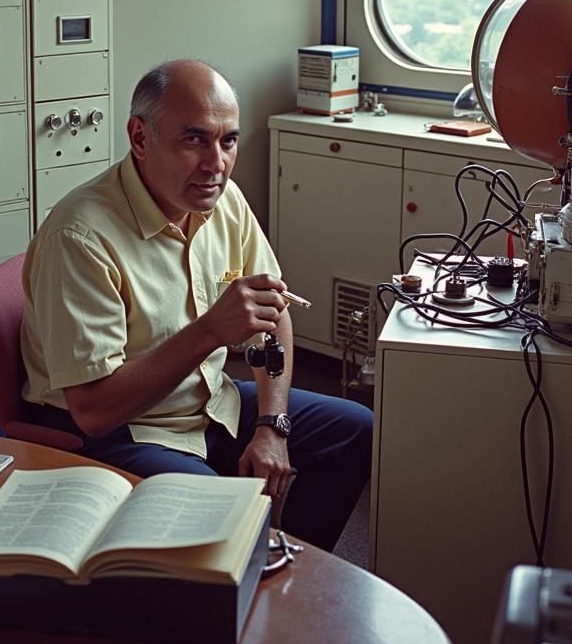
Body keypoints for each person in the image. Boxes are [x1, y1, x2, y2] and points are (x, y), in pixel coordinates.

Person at [21, 60, 372, 550]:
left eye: (228, 141)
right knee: (218, 517)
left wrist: (272, 425)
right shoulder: (80, 236)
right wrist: (210, 332)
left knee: (355, 428)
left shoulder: (222, 199)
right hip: (124, 429)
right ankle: (240, 568)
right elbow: (95, 411)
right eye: (194, 140)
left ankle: (278, 564)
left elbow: (276, 314)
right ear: (139, 139)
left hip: (207, 402)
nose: (217, 163)